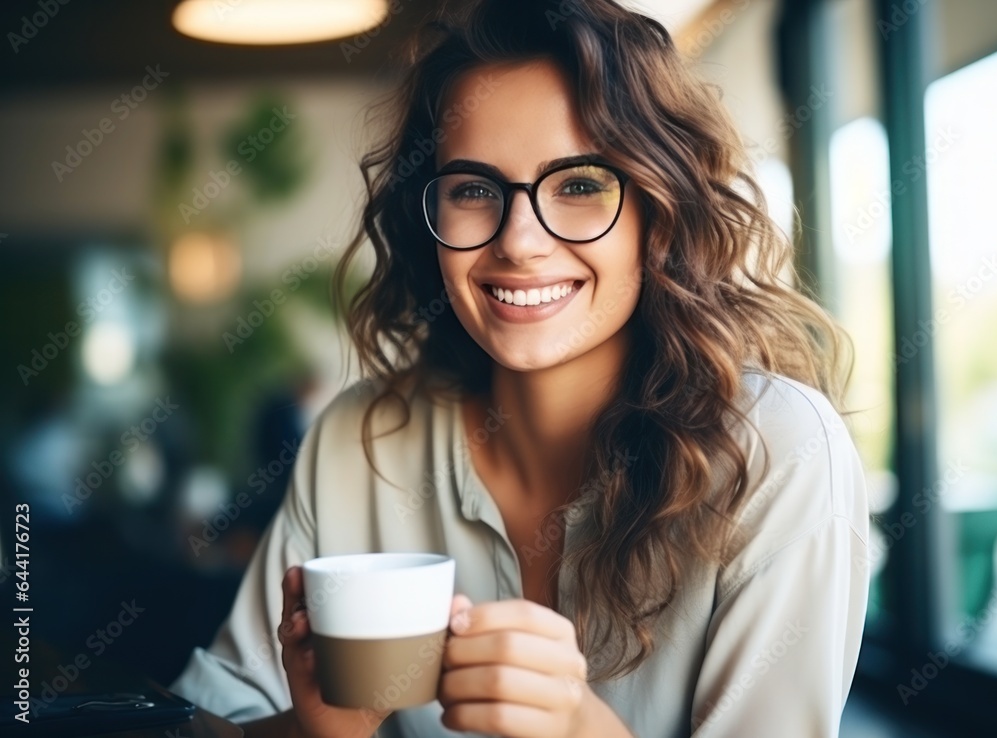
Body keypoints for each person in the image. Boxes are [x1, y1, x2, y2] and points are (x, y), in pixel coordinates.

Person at [169, 1, 870, 736]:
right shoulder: (363, 442)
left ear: (657, 213)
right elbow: (205, 719)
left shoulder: (779, 455)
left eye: (579, 184)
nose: (520, 242)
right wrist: (318, 733)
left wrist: (577, 727)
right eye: (473, 189)